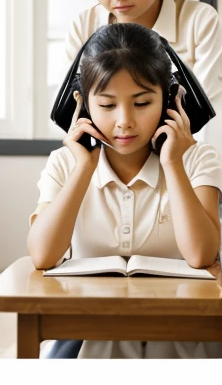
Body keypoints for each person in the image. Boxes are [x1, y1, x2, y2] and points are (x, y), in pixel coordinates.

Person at [28, 22, 222, 358]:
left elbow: (201, 255)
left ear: (171, 100)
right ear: (83, 105)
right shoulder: (64, 163)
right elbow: (43, 255)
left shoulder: (197, 160)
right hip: (92, 337)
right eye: (106, 105)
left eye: (142, 102)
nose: (124, 121)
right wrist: (84, 168)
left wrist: (173, 164)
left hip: (185, 340)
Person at [66, 0, 222, 151]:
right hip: (107, 163)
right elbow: (75, 110)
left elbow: (200, 110)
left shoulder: (199, 21)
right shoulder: (84, 26)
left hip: (184, 159)